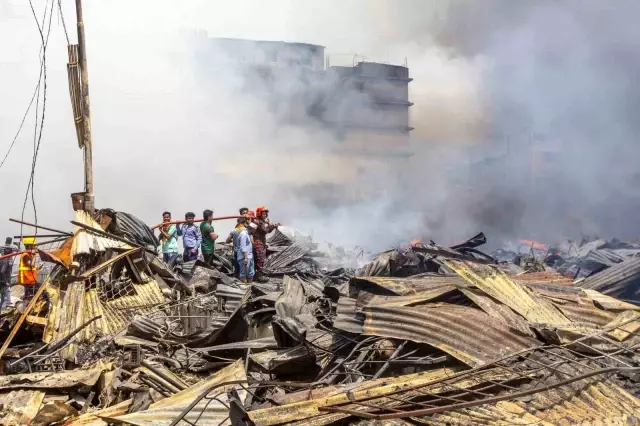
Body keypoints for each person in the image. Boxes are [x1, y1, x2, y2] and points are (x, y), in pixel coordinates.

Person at [253, 206, 280, 282]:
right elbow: (265, 231)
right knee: (260, 259)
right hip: (258, 243)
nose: (265, 215)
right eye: (263, 214)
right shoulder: (258, 221)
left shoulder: (261, 222)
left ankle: (257, 275)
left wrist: (272, 226)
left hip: (261, 243)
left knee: (260, 259)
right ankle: (259, 277)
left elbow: (267, 231)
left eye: (265, 214)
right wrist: (271, 225)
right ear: (259, 214)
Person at [18, 237, 40, 303]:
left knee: (32, 293)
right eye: (33, 246)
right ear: (29, 246)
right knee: (29, 295)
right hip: (27, 278)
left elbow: (30, 267)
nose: (34, 247)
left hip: (30, 278)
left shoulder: (28, 254)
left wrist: (36, 268)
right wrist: (34, 256)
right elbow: (31, 265)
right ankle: (27, 306)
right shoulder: (25, 255)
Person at [0, 237, 17, 310]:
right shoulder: (13, 247)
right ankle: (5, 304)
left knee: (5, 289)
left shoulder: (1, 247)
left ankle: (5, 303)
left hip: (3, 261)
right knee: (7, 277)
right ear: (10, 241)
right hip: (9, 262)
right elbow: (17, 250)